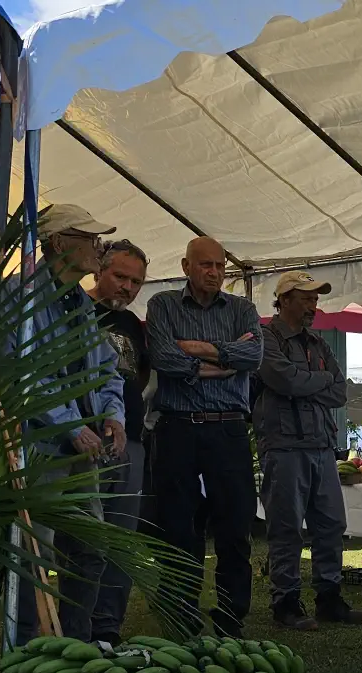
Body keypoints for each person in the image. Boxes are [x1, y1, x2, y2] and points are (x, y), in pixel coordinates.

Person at [14, 204, 126, 643]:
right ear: (59, 243)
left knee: (89, 548)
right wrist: (69, 425)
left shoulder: (77, 300)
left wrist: (112, 416)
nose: (98, 248)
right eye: (89, 238)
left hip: (83, 447)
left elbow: (107, 371)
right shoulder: (21, 296)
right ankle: (26, 643)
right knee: (32, 553)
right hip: (41, 449)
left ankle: (76, 644)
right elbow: (19, 373)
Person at [144, 236, 262, 636]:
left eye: (220, 266)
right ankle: (181, 616)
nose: (213, 273)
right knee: (178, 527)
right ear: (185, 266)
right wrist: (222, 359)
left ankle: (231, 620)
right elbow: (163, 357)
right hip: (177, 427)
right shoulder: (162, 304)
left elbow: (253, 357)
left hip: (228, 427)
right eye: (205, 265)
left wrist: (195, 350)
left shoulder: (243, 308)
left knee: (235, 527)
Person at [255, 271, 362, 630]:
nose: (313, 306)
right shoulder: (265, 337)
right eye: (305, 299)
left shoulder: (318, 344)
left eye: (315, 299)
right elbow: (282, 379)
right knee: (286, 527)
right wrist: (312, 383)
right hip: (283, 445)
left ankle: (328, 599)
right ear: (284, 300)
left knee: (331, 524)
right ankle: (285, 603)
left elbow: (339, 392)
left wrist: (303, 384)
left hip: (321, 445)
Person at [89, 238, 151, 644]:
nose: (127, 288)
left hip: (129, 444)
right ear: (98, 270)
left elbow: (140, 377)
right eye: (120, 277)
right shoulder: (74, 313)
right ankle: (74, 627)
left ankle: (107, 628)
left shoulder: (131, 324)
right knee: (85, 543)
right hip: (82, 442)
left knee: (121, 543)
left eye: (136, 282)